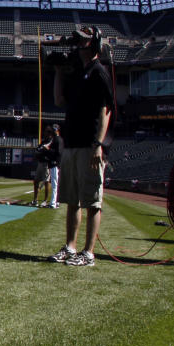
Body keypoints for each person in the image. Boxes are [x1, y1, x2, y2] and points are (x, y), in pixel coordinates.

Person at [48, 26, 114, 267]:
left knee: (92, 201)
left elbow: (105, 110)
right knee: (72, 200)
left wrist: (98, 144)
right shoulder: (77, 73)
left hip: (89, 145)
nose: (79, 45)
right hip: (73, 143)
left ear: (94, 44)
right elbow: (58, 100)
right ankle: (70, 246)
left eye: (84, 42)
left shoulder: (99, 72)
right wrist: (57, 72)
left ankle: (88, 252)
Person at [32, 131, 52, 206]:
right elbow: (37, 151)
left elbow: (49, 152)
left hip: (46, 164)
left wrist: (43, 151)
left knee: (46, 182)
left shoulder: (52, 142)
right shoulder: (43, 142)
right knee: (36, 181)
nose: (46, 135)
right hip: (40, 163)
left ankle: (45, 201)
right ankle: (35, 200)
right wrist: (41, 151)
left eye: (48, 134)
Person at [47, 124, 62, 208]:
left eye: (53, 130)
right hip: (56, 164)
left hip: (55, 163)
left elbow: (58, 152)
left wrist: (48, 150)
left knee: (54, 184)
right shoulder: (57, 139)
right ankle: (56, 202)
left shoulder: (57, 139)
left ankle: (53, 203)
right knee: (56, 184)